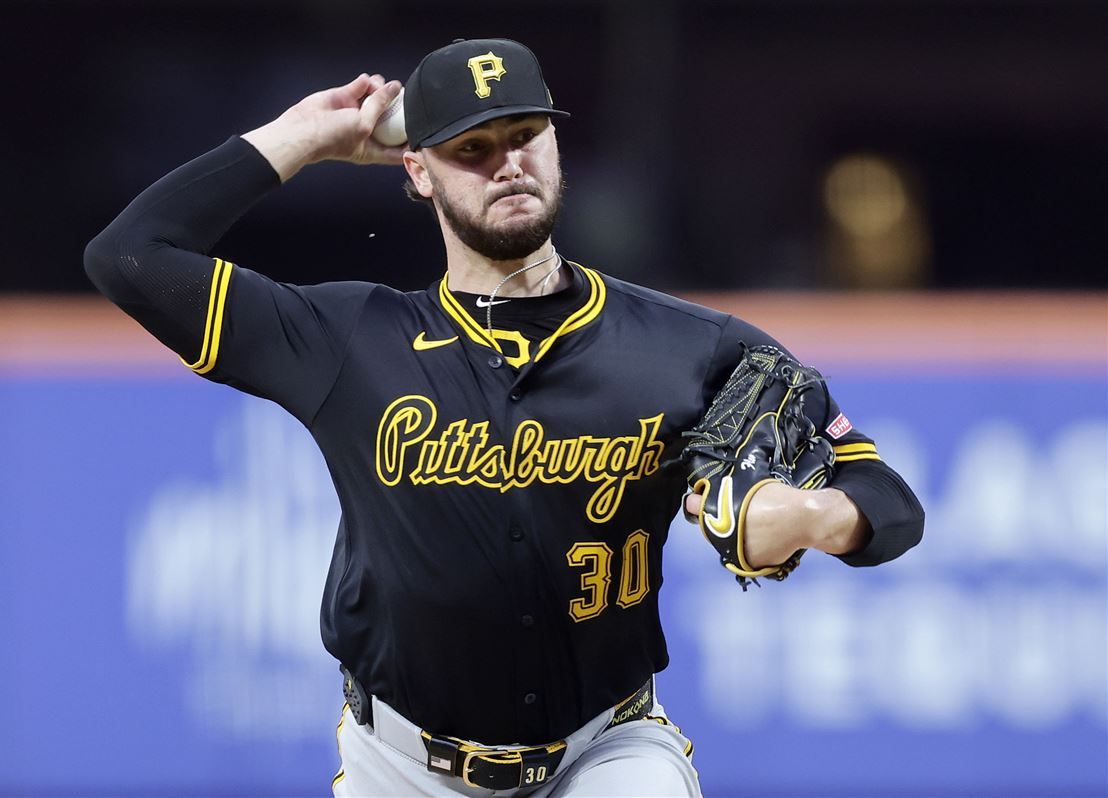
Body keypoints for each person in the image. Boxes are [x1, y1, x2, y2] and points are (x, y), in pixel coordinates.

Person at [85, 37, 923, 797]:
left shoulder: (690, 346)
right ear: (419, 172)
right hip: (401, 768)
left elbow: (891, 500)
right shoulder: (347, 338)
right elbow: (127, 257)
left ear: (555, 143)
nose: (507, 163)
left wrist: (813, 516)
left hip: (608, 751)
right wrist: (300, 139)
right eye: (471, 149)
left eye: (525, 135)